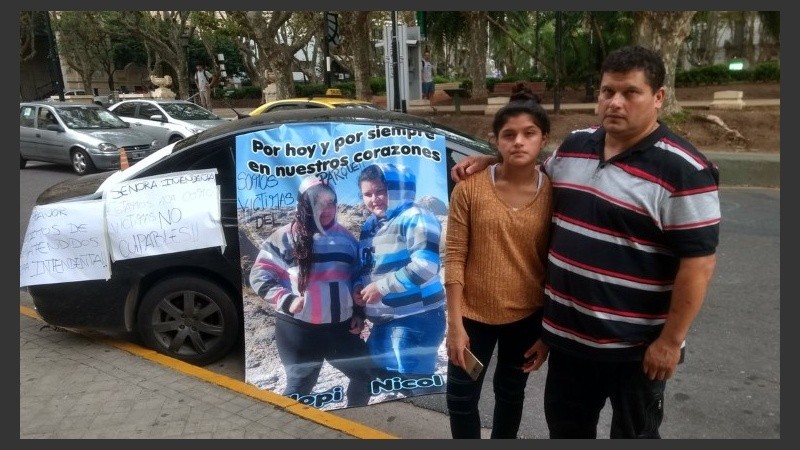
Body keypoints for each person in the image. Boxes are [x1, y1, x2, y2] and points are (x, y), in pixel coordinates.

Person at [450, 45, 721, 439]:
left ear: (659, 97)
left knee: (634, 434)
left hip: (634, 350)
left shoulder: (685, 170)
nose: (615, 102)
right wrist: (490, 161)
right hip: (570, 345)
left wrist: (671, 341)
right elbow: (531, 170)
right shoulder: (576, 146)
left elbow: (698, 265)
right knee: (567, 431)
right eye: (607, 91)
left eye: (630, 92)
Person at [444, 85, 552, 439]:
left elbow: (555, 264)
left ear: (543, 139)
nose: (518, 142)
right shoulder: (470, 189)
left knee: (510, 394)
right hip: (473, 316)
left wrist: (547, 333)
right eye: (509, 135)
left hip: (526, 317)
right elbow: (455, 255)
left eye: (529, 134)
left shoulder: (555, 191)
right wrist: (455, 324)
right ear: (496, 140)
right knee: (461, 397)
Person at [249, 176, 377, 407]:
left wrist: (359, 312)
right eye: (317, 203)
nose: (326, 209)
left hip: (340, 329)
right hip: (298, 329)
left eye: (331, 203)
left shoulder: (347, 239)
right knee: (301, 386)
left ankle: (356, 418)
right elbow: (259, 274)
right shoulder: (285, 236)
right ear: (304, 205)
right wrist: (285, 299)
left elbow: (357, 276)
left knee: (364, 376)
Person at [355, 163, 446, 396]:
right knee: (384, 376)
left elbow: (426, 266)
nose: (374, 199)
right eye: (368, 194)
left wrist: (381, 287)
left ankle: (434, 424)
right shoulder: (370, 226)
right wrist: (360, 287)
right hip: (385, 320)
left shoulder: (416, 217)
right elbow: (368, 268)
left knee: (415, 384)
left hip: (416, 317)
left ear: (397, 189)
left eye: (381, 192)